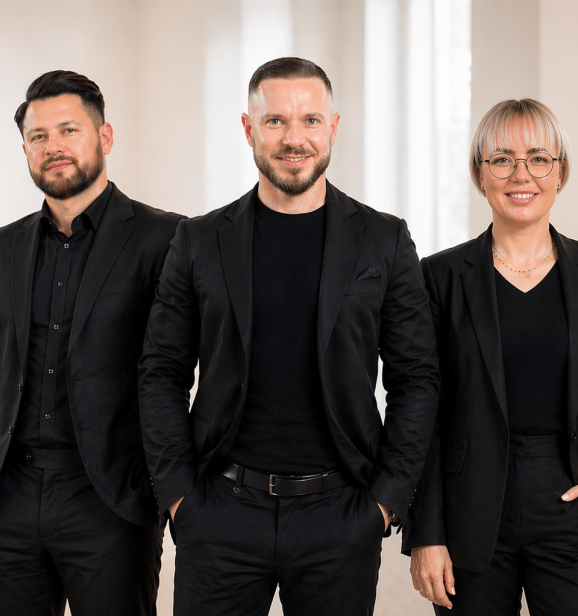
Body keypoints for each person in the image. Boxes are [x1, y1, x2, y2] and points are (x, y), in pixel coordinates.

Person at [139, 56, 439, 616]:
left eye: (310, 120)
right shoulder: (198, 241)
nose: (293, 138)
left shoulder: (385, 240)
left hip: (341, 513)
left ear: (333, 127)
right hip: (220, 510)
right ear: (248, 129)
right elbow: (160, 371)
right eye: (275, 121)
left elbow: (417, 378)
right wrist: (179, 496)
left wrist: (384, 502)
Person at [0, 70, 184, 616]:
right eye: (38, 136)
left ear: (104, 137)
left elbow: (184, 369)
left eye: (68, 130)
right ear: (25, 150)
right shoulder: (5, 247)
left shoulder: (167, 238)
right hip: (11, 492)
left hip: (111, 496)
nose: (53, 146)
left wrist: (174, 488)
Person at [404, 98, 578, 615]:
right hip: (468, 510)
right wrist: (426, 533)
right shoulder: (438, 278)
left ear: (560, 172)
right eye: (502, 159)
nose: (521, 174)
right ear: (480, 174)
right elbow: (421, 411)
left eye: (538, 158)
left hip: (566, 503)